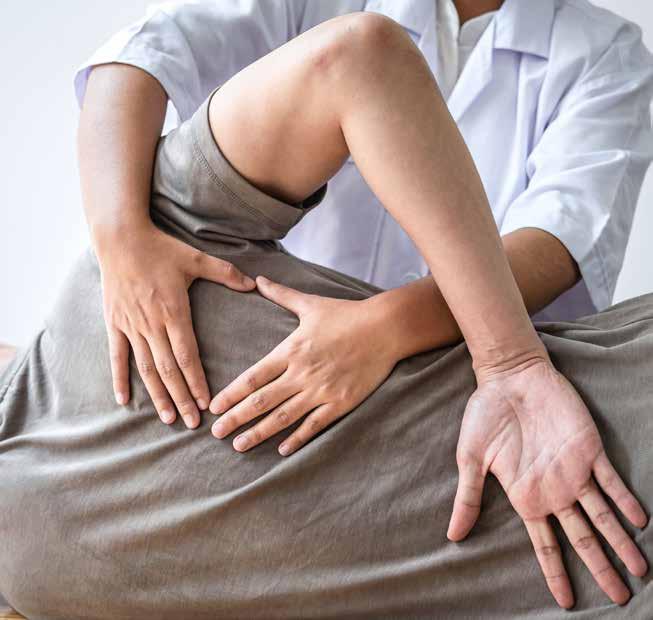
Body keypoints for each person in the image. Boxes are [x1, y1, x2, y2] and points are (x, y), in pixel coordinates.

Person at [0, 25, 651, 614]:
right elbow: (352, 60)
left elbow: (358, 60)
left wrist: (496, 357)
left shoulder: (134, 261)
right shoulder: (27, 557)